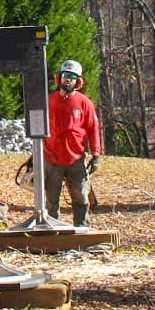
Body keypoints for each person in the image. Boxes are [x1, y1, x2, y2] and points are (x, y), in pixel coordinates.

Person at [43, 58, 101, 228]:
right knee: (51, 199)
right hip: (52, 158)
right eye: (65, 75)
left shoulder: (85, 103)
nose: (68, 79)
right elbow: (38, 129)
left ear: (78, 81)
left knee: (81, 197)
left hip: (76, 159)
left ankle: (81, 229)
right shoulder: (48, 101)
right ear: (59, 78)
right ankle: (53, 231)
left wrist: (96, 154)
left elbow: (93, 129)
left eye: (72, 76)